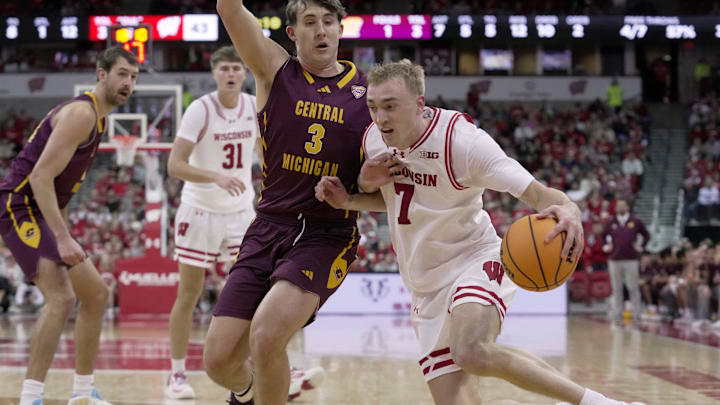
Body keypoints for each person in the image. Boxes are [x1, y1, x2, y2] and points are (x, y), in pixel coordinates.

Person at [315, 60, 644, 405]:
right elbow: (397, 202)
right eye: (373, 107)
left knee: (471, 351)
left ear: (419, 103)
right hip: (424, 287)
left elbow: (537, 193)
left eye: (390, 107)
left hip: (472, 259)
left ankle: (599, 403)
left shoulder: (462, 143)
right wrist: (350, 198)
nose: (380, 118)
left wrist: (571, 210)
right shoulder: (374, 141)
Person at [207, 0, 372, 404]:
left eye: (328, 22)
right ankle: (256, 394)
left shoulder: (369, 93)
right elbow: (228, 8)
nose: (320, 31)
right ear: (292, 33)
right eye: (310, 23)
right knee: (218, 362)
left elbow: (385, 184)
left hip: (326, 233)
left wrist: (355, 194)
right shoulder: (275, 70)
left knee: (265, 336)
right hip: (269, 225)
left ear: (340, 29)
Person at [164, 46, 324, 400]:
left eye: (237, 67)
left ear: (245, 71)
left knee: (267, 288)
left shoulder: (255, 105)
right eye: (225, 68)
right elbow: (174, 165)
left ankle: (278, 365)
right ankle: (176, 374)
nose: (232, 74)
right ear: (214, 73)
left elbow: (266, 154)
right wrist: (214, 177)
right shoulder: (200, 109)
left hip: (240, 213)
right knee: (189, 293)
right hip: (200, 210)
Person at [0, 47, 139, 405]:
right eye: (122, 74)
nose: (128, 83)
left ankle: (82, 393)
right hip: (19, 203)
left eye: (134, 77)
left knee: (96, 294)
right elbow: (40, 177)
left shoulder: (100, 120)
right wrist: (62, 238)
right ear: (101, 74)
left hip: (42, 208)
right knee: (61, 297)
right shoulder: (82, 113)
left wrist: (62, 231)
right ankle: (30, 397)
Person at [602, 199, 650, 322]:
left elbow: (646, 235)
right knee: (616, 288)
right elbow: (603, 235)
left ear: (628, 207)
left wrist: (641, 246)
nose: (621, 208)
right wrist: (606, 246)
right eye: (619, 206)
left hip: (631, 260)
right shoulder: (611, 222)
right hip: (614, 259)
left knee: (632, 287)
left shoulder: (635, 221)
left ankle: (636, 313)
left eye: (623, 206)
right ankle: (618, 313)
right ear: (616, 208)